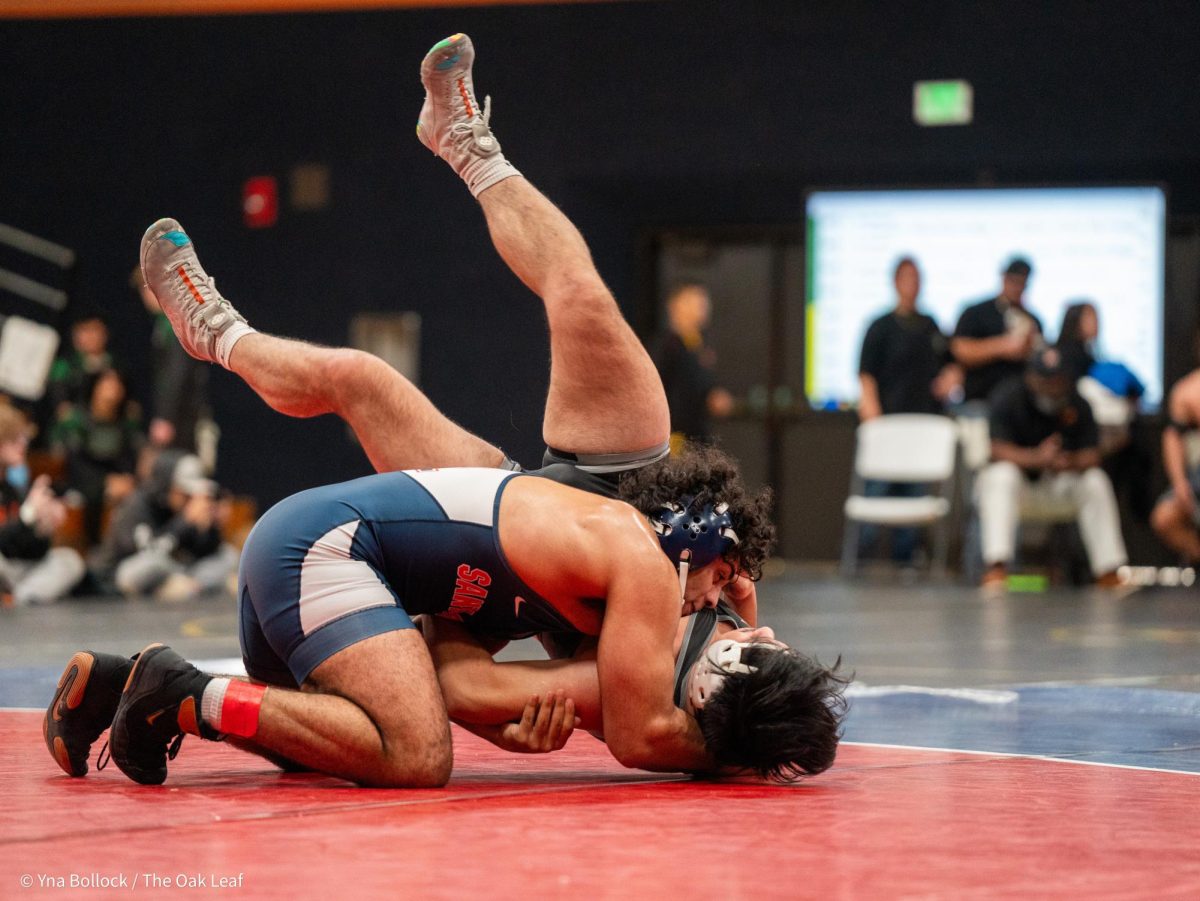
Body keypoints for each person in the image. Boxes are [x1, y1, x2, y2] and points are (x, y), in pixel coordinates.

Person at [45, 34, 843, 788]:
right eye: (718, 592)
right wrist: (725, 738)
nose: (708, 605)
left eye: (723, 611)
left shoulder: (623, 640)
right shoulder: (649, 567)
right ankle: (255, 305)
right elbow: (636, 732)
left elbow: (464, 676)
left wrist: (506, 713)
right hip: (525, 511)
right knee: (536, 314)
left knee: (357, 722)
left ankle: (130, 685)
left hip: (426, 561)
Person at [974, 347, 1127, 591]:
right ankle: (997, 568)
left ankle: (1109, 571)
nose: (1052, 386)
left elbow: (1093, 454)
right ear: (1031, 377)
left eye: (1057, 379)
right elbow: (996, 449)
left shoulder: (1078, 402)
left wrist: (1068, 462)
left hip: (1059, 486)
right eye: (1045, 379)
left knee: (1095, 481)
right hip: (1022, 488)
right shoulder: (1009, 396)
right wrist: (1036, 458)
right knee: (1000, 476)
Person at [856, 257, 962, 563]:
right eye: (906, 278)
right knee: (877, 489)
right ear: (895, 282)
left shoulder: (931, 325)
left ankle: (907, 559)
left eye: (916, 278)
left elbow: (951, 363)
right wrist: (872, 411)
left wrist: (951, 377)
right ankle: (863, 557)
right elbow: (866, 373)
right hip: (887, 424)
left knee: (916, 493)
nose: (911, 285)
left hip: (922, 427)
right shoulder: (880, 326)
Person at [0, 403, 85, 605]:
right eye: (13, 439)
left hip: (14, 572)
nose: (23, 445)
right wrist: (27, 514)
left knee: (68, 559)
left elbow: (26, 552)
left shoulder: (13, 489)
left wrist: (42, 529)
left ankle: (19, 597)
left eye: (23, 438)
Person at [49, 367, 143, 545]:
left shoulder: (126, 424)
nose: (113, 388)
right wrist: (105, 481)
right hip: (82, 481)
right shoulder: (76, 419)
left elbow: (128, 459)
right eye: (107, 382)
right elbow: (73, 462)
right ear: (95, 386)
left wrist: (126, 479)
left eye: (118, 383)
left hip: (117, 483)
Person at [132, 266, 210, 453]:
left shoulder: (175, 324)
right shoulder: (164, 323)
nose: (145, 296)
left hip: (183, 417)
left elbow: (177, 371)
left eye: (147, 289)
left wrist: (165, 417)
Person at [649, 283, 733, 451]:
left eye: (703, 302)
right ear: (675, 305)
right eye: (694, 301)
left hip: (699, 436)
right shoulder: (665, 347)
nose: (702, 307)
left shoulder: (700, 345)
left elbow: (700, 384)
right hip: (675, 439)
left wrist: (713, 395)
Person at [951, 257, 1043, 405]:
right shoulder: (977, 313)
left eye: (1022, 283)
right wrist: (1002, 346)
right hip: (981, 400)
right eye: (1014, 281)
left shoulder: (1033, 320)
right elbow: (960, 349)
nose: (1017, 288)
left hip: (1020, 404)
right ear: (1004, 278)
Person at [1150, 367, 1200, 563]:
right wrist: (1180, 484)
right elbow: (1172, 437)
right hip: (1197, 479)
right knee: (1165, 517)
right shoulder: (1188, 390)